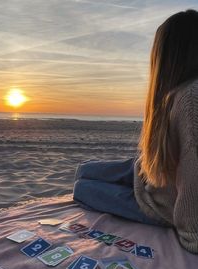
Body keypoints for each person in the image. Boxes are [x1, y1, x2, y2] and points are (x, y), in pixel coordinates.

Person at [73, 9, 198, 254]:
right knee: (84, 170)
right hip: (152, 175)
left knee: (82, 187)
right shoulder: (182, 91)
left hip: (163, 200)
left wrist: (192, 234)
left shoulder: (191, 97)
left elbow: (194, 170)